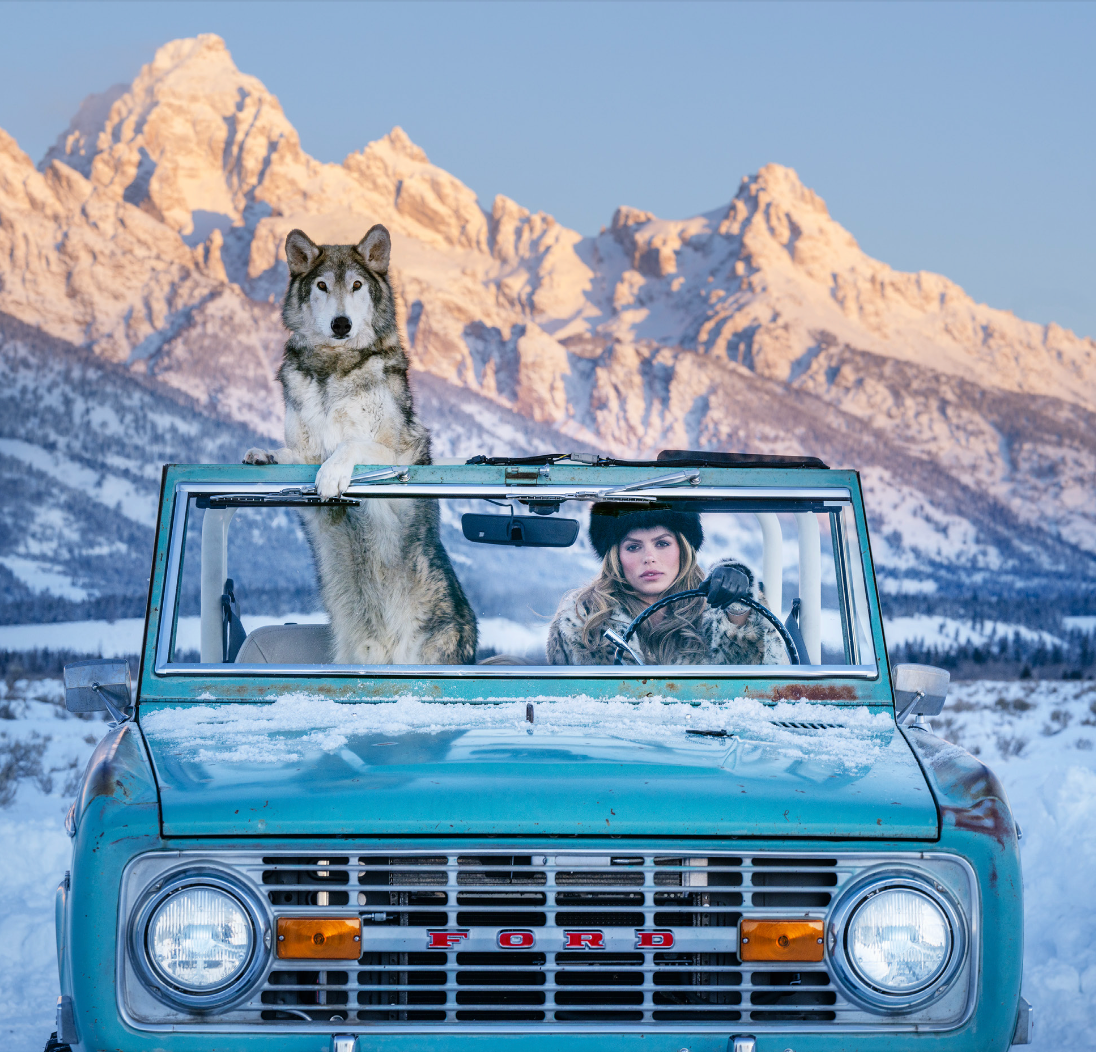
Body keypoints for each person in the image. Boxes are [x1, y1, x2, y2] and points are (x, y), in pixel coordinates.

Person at [546, 504, 790, 666]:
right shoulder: (582, 622)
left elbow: (766, 690)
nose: (649, 557)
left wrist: (738, 611)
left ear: (683, 548)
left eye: (662, 543)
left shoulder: (717, 610)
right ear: (615, 557)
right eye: (633, 547)